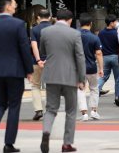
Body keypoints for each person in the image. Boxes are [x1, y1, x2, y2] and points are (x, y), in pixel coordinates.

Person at [0, 0, 34, 153]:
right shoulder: (19, 24)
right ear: (8, 7)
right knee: (14, 106)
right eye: (14, 3)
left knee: (0, 104)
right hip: (15, 71)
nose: (16, 5)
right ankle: (8, 144)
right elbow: (24, 49)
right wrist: (29, 70)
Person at [39, 9, 86, 153]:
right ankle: (67, 144)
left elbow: (42, 51)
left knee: (51, 109)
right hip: (70, 76)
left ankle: (46, 132)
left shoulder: (45, 32)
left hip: (51, 75)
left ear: (56, 18)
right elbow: (80, 57)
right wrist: (81, 79)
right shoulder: (75, 34)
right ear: (70, 20)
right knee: (71, 111)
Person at [77, 13, 104, 121]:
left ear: (80, 23)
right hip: (91, 67)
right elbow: (98, 53)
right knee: (94, 89)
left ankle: (84, 113)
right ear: (90, 24)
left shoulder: (75, 36)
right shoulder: (94, 38)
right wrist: (101, 68)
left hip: (79, 68)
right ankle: (93, 111)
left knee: (80, 90)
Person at [97, 14, 119, 107]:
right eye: (115, 21)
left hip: (105, 57)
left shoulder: (101, 33)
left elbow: (99, 46)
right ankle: (117, 97)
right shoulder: (116, 32)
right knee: (118, 78)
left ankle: (96, 92)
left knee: (103, 76)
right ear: (112, 23)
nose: (116, 23)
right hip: (115, 57)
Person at [30, 9, 52, 121]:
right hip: (52, 62)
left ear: (38, 17)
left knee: (35, 85)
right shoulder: (54, 29)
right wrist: (47, 60)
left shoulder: (34, 29)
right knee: (51, 86)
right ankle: (50, 111)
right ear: (49, 17)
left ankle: (38, 110)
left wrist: (39, 60)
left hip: (36, 62)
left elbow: (34, 46)